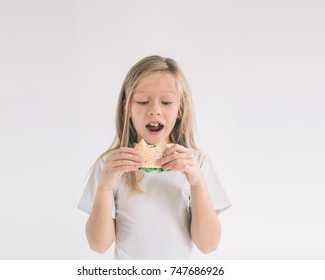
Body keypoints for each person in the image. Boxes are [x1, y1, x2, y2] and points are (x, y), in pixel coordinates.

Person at [78, 55, 231, 259]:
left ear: (180, 110)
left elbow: (208, 244)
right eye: (142, 101)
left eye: (166, 102)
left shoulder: (197, 164)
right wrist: (105, 186)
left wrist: (196, 182)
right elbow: (98, 245)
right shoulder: (110, 165)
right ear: (127, 108)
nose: (154, 110)